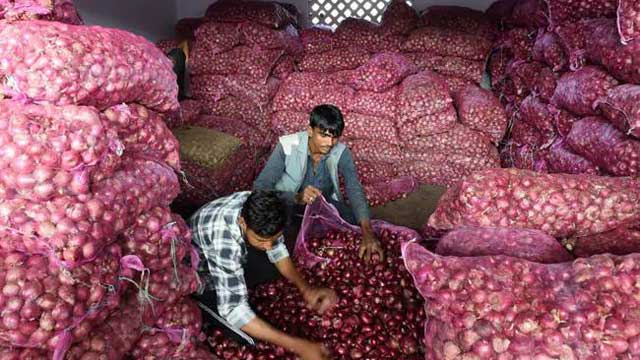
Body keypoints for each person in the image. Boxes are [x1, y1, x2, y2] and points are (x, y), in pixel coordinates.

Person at [190, 190, 335, 360]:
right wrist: (299, 346)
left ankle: (239, 285)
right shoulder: (224, 240)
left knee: (272, 269)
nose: (268, 246)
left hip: (227, 255)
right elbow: (233, 309)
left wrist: (306, 288)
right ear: (242, 222)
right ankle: (202, 302)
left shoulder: (262, 207)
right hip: (198, 276)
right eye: (260, 240)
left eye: (273, 239)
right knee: (247, 339)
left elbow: (277, 249)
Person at [253, 104, 384, 262]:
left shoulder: (342, 152)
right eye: (323, 135)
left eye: (334, 137)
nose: (329, 143)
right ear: (310, 131)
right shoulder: (287, 146)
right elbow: (260, 188)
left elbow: (353, 188)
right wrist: (296, 198)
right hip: (285, 205)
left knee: (353, 219)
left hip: (322, 206)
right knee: (281, 239)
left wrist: (367, 232)